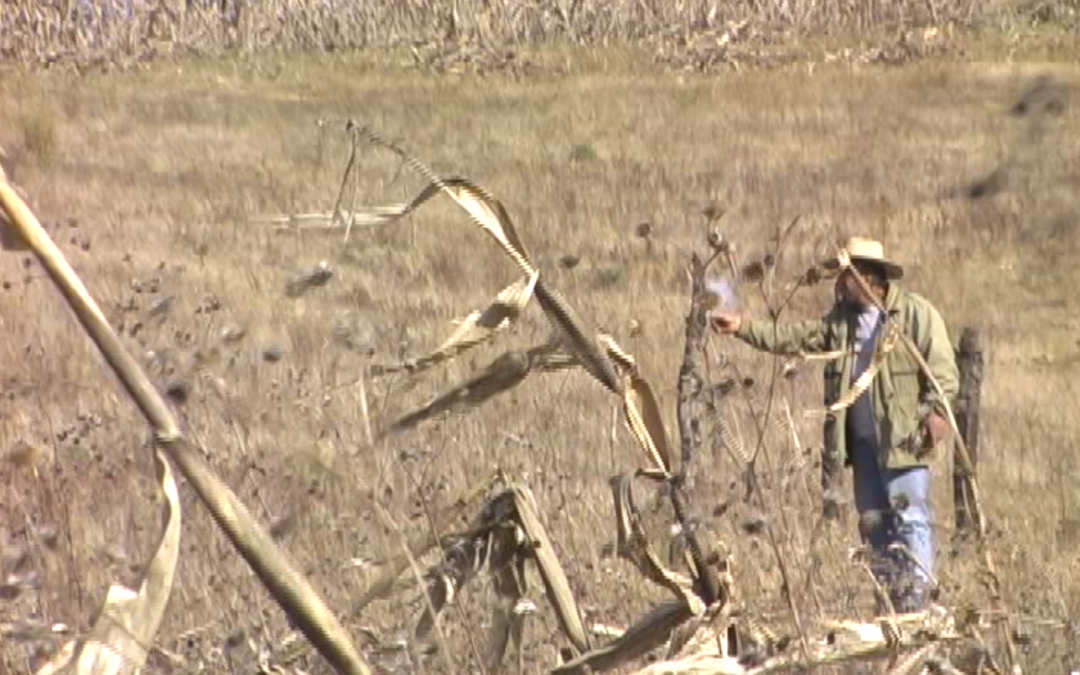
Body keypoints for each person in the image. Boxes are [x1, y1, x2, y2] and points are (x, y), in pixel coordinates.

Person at [709, 236, 959, 614]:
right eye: (842, 275)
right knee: (875, 527)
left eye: (848, 275)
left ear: (869, 276)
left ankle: (920, 605)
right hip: (859, 449)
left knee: (911, 522)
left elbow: (944, 373)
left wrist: (936, 415)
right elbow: (790, 337)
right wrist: (742, 326)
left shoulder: (915, 315)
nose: (841, 283)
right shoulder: (840, 323)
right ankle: (892, 606)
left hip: (904, 443)